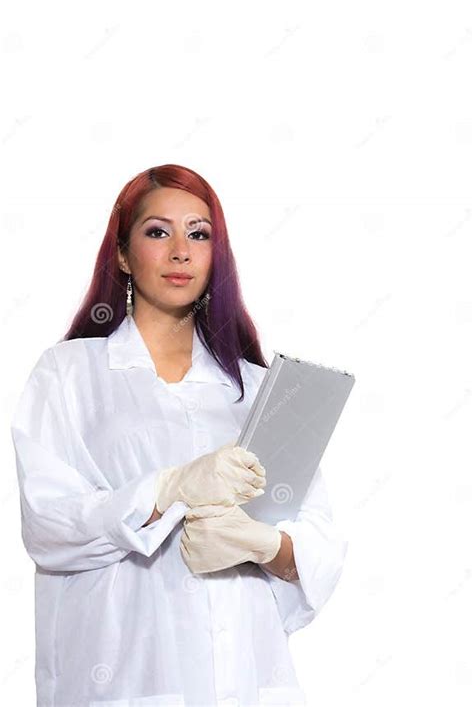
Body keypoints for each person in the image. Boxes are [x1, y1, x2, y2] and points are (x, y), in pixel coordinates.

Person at [10, 164, 349, 707]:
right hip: (120, 677)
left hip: (245, 681)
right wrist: (169, 489)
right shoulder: (69, 373)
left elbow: (319, 542)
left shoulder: (262, 388)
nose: (181, 251)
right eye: (157, 231)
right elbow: (48, 523)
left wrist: (260, 544)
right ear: (122, 254)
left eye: (198, 233)